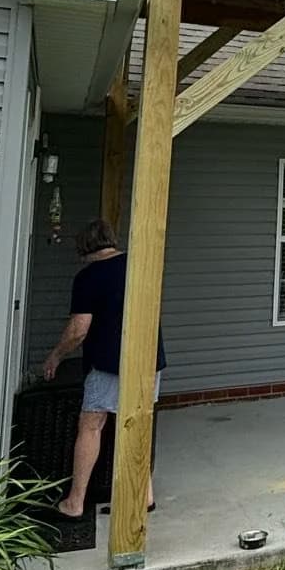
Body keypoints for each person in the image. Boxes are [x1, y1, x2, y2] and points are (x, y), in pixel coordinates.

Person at [42, 218, 166, 519]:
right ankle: (144, 496)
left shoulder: (89, 277)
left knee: (91, 426)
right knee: (139, 424)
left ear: (84, 248)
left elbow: (78, 331)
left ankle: (74, 502)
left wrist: (55, 356)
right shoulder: (140, 264)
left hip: (109, 364)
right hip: (150, 358)